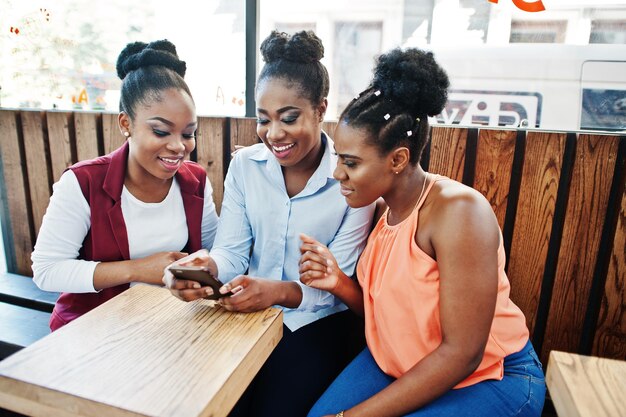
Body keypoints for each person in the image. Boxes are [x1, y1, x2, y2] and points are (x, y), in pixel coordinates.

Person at [300, 48, 546, 417]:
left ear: (398, 159)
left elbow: (463, 354)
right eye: (339, 158)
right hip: (403, 363)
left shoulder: (459, 212)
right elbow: (390, 315)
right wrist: (338, 281)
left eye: (350, 162)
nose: (338, 173)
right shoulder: (383, 209)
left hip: (491, 377)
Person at [165, 31, 375, 417]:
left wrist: (277, 292)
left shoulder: (351, 178)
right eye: (264, 120)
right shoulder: (246, 166)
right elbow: (230, 251)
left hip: (316, 324)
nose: (273, 134)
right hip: (244, 311)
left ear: (320, 108)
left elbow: (337, 285)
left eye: (289, 118)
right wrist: (206, 270)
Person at [31, 40, 219, 331]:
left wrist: (199, 266)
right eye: (160, 131)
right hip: (92, 327)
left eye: (189, 133)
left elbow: (213, 248)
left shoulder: (195, 181)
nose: (178, 146)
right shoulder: (83, 183)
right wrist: (140, 270)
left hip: (167, 322)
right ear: (125, 123)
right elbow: (47, 271)